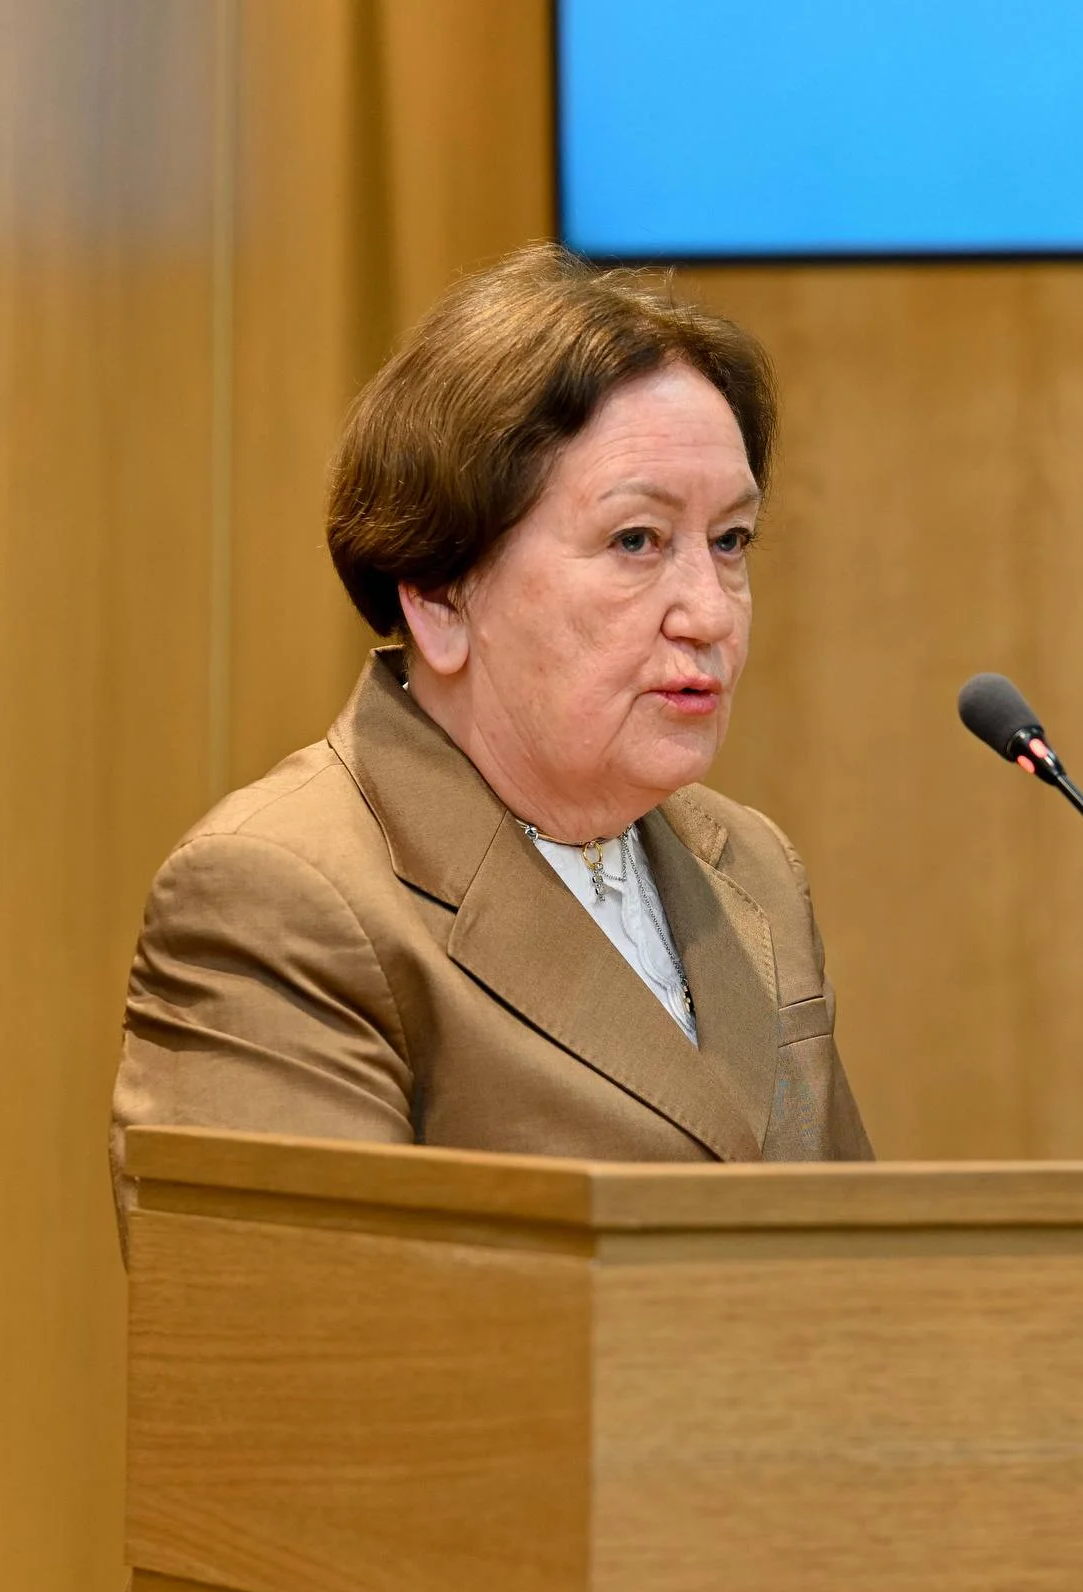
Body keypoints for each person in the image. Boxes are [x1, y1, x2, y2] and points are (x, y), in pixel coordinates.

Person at [108, 245, 874, 1232]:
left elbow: (864, 1258)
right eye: (636, 541)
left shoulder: (752, 869)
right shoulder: (281, 896)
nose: (710, 612)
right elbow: (294, 1314)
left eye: (729, 542)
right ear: (439, 595)